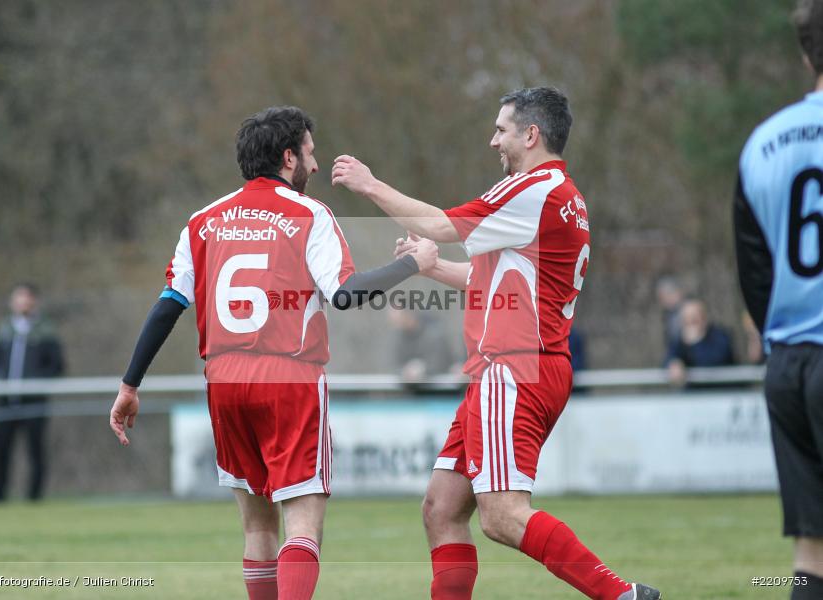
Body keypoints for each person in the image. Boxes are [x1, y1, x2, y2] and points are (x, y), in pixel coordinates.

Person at [333, 87, 659, 599]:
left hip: (514, 369)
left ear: (531, 135)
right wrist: (435, 266)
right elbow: (500, 280)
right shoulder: (558, 196)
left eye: (501, 130)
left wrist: (371, 186)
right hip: (512, 369)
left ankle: (620, 594)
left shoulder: (536, 188)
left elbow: (440, 224)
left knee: (502, 515)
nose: (493, 141)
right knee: (441, 508)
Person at [108, 106, 436, 600]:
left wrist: (130, 385)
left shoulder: (202, 221)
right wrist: (413, 262)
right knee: (302, 525)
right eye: (310, 153)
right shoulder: (310, 214)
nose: (317, 165)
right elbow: (344, 294)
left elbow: (167, 306)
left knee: (258, 530)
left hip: (224, 382)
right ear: (289, 158)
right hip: (289, 379)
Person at [733, 2, 823, 597]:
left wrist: (782, 338)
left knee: (811, 553)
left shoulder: (762, 143)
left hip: (788, 365)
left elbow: (753, 269)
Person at [0, 283, 65, 502]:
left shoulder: (45, 330)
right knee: (1, 449)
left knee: (36, 450)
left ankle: (34, 496)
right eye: (19, 297)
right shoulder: (3, 329)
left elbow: (57, 365)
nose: (23, 302)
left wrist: (38, 382)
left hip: (34, 401)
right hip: (6, 400)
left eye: (27, 298)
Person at [664, 299, 735, 388]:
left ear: (704, 317)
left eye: (694, 317)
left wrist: (695, 344)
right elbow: (669, 357)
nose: (690, 321)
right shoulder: (680, 340)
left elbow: (713, 362)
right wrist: (674, 363)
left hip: (723, 393)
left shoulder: (720, 336)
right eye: (686, 318)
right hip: (695, 396)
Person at [387, 308, 456, 385]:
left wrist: (422, 370)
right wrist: (405, 371)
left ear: (408, 314)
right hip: (412, 390)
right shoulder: (398, 337)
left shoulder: (434, 334)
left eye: (397, 315)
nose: (393, 320)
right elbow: (394, 365)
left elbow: (441, 364)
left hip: (441, 389)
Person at [654, 276, 685, 351]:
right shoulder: (667, 314)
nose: (664, 300)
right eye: (661, 298)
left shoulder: (689, 310)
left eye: (666, 295)